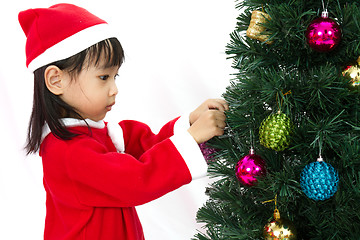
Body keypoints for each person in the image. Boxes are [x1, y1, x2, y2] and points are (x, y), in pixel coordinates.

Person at [18, 3, 228, 240]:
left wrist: (191, 124)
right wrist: (191, 139)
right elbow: (135, 180)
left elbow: (149, 144)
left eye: (114, 76)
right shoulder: (67, 152)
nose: (114, 89)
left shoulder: (103, 134)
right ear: (56, 80)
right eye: (103, 77)